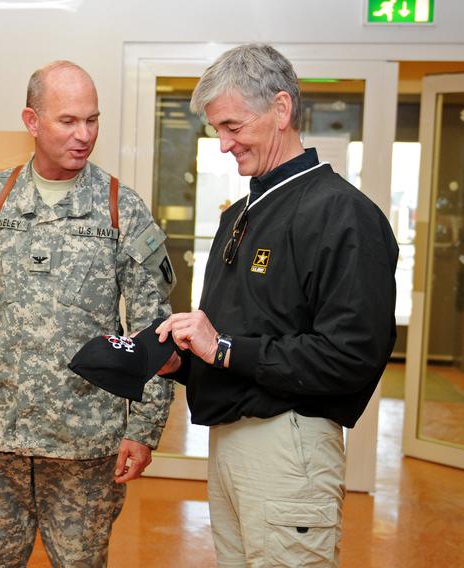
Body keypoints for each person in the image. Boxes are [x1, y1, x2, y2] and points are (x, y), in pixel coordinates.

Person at [0, 61, 179, 567]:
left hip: (85, 445)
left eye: (93, 120)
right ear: (32, 121)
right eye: (68, 121)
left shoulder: (123, 209)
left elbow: (155, 335)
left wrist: (143, 431)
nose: (84, 136)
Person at [154, 44, 398, 567]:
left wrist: (219, 350)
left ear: (282, 110)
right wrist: (186, 365)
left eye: (233, 126)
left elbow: (350, 357)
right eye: (216, 129)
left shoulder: (342, 214)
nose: (223, 145)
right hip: (230, 446)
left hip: (289, 447)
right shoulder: (239, 214)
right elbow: (249, 336)